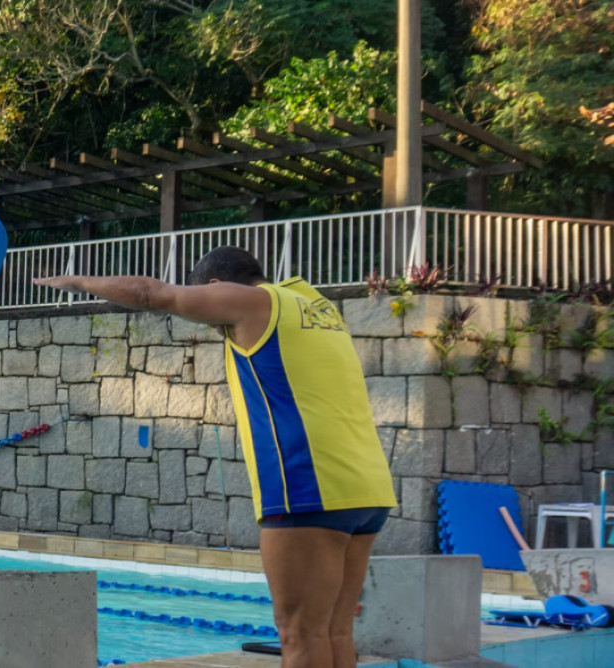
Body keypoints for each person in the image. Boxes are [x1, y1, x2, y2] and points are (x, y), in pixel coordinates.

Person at [33, 246, 396, 668]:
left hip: (309, 482)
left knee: (299, 634)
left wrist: (77, 282)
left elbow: (154, 294)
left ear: (216, 287)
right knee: (334, 630)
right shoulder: (313, 308)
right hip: (366, 487)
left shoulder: (253, 302)